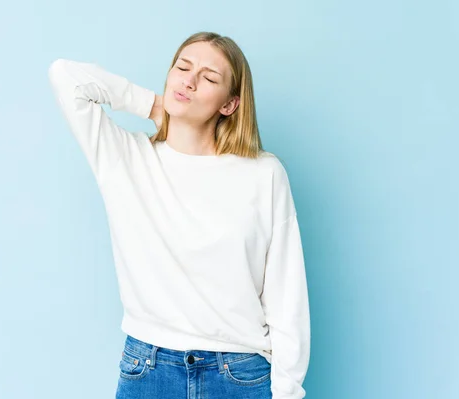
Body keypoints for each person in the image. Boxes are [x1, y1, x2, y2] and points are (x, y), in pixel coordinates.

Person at [48, 31, 310, 399]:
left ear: (230, 105)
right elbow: (65, 75)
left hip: (239, 373)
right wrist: (155, 106)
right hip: (149, 370)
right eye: (183, 67)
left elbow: (287, 293)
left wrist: (288, 393)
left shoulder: (263, 173)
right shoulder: (125, 158)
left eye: (208, 77)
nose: (189, 80)